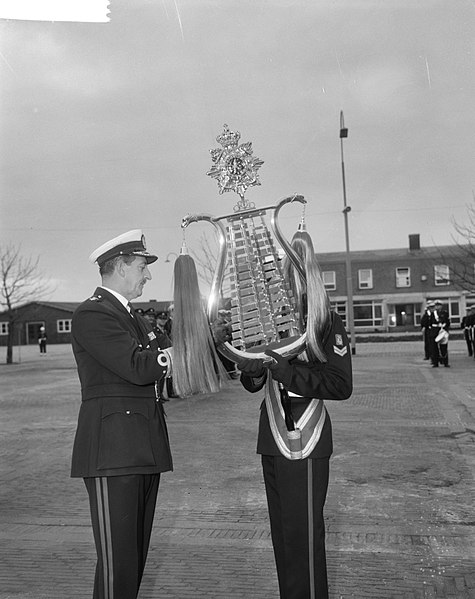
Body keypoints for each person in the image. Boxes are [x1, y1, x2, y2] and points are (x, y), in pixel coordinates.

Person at [237, 230, 353, 599]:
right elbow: (252, 382)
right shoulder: (272, 320)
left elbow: (340, 384)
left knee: (303, 539)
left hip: (306, 436)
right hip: (270, 435)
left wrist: (288, 372)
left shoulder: (323, 321)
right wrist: (252, 368)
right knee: (284, 538)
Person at [70, 229, 173, 599]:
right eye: (143, 266)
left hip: (141, 448)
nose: (147, 275)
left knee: (132, 564)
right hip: (113, 454)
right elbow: (137, 366)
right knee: (118, 566)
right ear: (120, 267)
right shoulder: (92, 314)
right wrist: (177, 353)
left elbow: (163, 372)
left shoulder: (135, 318)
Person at [429, 299, 451, 367]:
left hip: (442, 331)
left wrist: (445, 329)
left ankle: (445, 362)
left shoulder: (445, 313)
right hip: (435, 331)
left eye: (439, 305)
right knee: (434, 348)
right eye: (436, 305)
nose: (438, 307)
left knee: (444, 347)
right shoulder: (433, 314)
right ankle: (435, 362)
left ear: (441, 306)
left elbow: (447, 322)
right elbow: (430, 323)